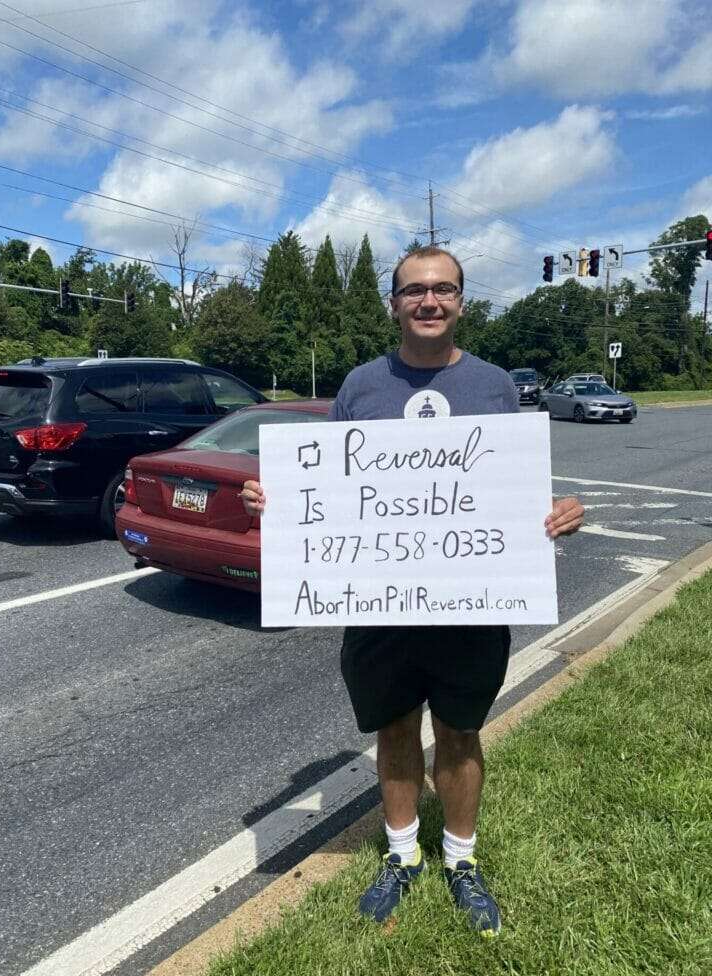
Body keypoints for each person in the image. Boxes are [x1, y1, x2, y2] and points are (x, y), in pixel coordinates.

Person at [240, 246, 584, 937]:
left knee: (460, 731)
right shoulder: (362, 386)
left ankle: (461, 860)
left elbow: (505, 494)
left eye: (443, 290)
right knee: (395, 728)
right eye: (414, 292)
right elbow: (333, 493)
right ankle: (401, 857)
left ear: (461, 301)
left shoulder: (493, 387)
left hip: (472, 600)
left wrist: (554, 517)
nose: (429, 302)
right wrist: (276, 502)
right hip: (380, 604)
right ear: (393, 303)